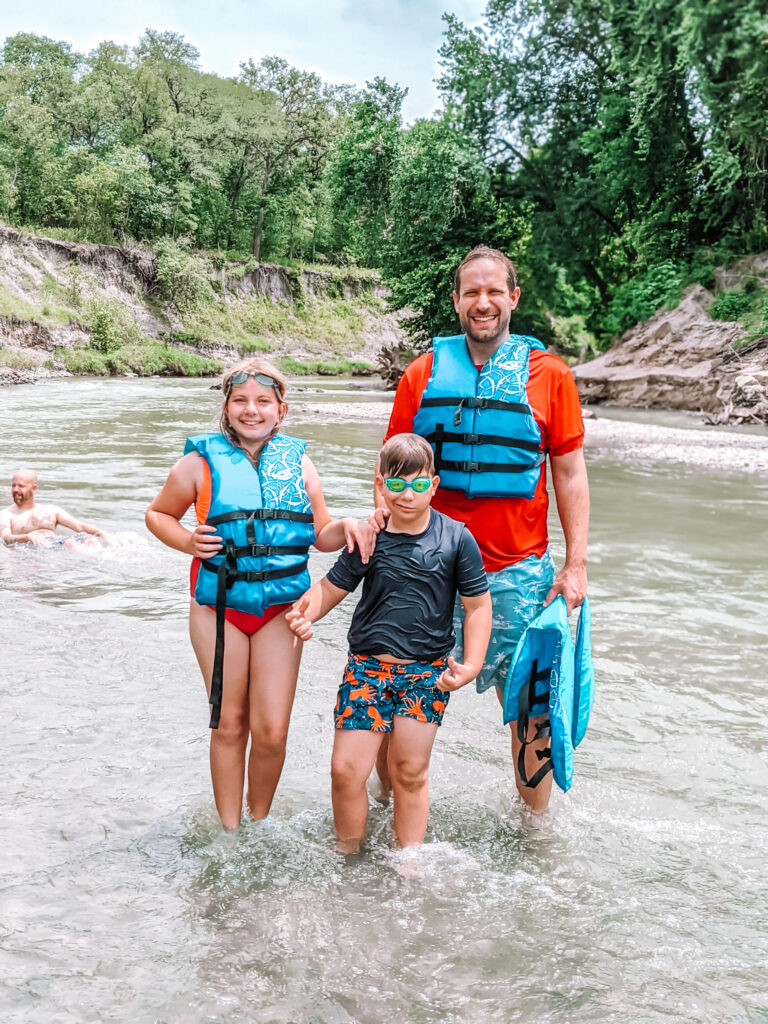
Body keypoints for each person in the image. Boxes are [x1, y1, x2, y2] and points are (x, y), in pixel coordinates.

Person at [376, 246, 589, 814]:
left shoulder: (552, 377)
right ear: (456, 301)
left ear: (514, 298)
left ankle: (535, 838)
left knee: (532, 715)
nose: (483, 302)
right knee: (396, 706)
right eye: (472, 292)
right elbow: (390, 466)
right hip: (425, 572)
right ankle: (381, 827)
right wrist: (379, 529)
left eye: (495, 291)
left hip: (517, 574)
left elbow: (568, 472)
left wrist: (575, 564)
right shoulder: (422, 373)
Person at [145, 358, 376, 831]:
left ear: (281, 410)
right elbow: (158, 515)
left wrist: (349, 525)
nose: (252, 410)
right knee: (230, 722)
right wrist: (187, 540)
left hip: (279, 611)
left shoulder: (300, 462)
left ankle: (259, 821)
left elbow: (320, 534)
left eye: (263, 402)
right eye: (241, 401)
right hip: (219, 607)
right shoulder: (198, 461)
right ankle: (230, 832)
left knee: (271, 731)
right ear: (226, 408)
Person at [286, 433, 492, 852]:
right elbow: (329, 589)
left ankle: (409, 861)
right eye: (396, 485)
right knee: (346, 771)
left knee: (409, 771)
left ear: (433, 485)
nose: (407, 495)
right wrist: (302, 613)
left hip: (426, 674)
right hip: (367, 670)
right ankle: (348, 853)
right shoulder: (368, 537)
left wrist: (471, 665)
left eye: (418, 485)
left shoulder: (456, 539)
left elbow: (477, 607)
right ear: (381, 484)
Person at [0, 469, 106, 548]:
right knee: (70, 544)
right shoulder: (6, 514)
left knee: (91, 541)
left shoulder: (51, 510)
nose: (15, 490)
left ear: (34, 488)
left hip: (56, 545)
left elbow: (79, 526)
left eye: (21, 486)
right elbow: (5, 538)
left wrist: (101, 533)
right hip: (31, 552)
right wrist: (27, 537)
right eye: (13, 486)